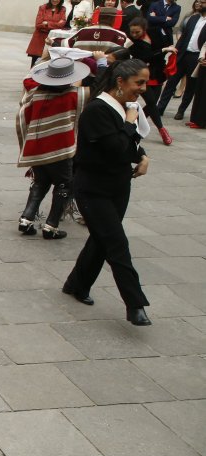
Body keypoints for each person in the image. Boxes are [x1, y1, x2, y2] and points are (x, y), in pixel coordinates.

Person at [63, 58, 152, 326]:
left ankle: (76, 284)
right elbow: (115, 146)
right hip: (93, 188)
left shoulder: (127, 107)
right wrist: (129, 121)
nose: (144, 88)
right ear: (120, 82)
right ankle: (135, 304)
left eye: (145, 82)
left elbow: (129, 144)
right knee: (116, 243)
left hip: (118, 185)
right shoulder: (97, 110)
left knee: (102, 239)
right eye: (140, 82)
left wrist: (143, 156)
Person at [16, 57, 91, 239]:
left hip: (37, 148)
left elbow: (23, 116)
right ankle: (51, 225)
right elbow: (100, 87)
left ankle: (26, 219)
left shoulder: (36, 94)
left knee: (40, 182)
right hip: (61, 150)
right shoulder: (76, 95)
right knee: (64, 184)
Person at [127, 16, 177, 143]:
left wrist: (167, 49)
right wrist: (163, 50)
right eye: (132, 32)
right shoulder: (132, 43)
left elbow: (166, 45)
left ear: (144, 29)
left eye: (137, 32)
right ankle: (162, 130)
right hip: (142, 75)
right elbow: (146, 57)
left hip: (158, 73)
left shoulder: (155, 32)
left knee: (152, 104)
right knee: (151, 103)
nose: (134, 34)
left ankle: (131, 122)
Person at [156, 1, 206, 118]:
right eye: (198, 1)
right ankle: (160, 108)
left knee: (190, 86)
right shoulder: (193, 18)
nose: (199, 4)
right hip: (183, 54)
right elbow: (184, 36)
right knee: (171, 82)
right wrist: (176, 50)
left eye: (203, 2)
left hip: (196, 57)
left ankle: (181, 110)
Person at [55, 8, 132, 51]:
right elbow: (126, 50)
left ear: (99, 17)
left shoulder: (83, 31)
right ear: (113, 19)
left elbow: (66, 44)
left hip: (83, 70)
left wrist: (53, 41)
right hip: (106, 74)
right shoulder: (120, 35)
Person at [28, 0, 68, 67]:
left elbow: (62, 24)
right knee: (35, 61)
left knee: (48, 62)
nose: (55, 0)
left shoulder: (62, 9)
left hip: (52, 38)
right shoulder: (42, 7)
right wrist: (55, 24)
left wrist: (47, 23)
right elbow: (38, 24)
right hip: (40, 37)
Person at [187, 40, 206, 126]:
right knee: (200, 92)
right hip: (203, 66)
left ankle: (201, 121)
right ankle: (196, 119)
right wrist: (201, 57)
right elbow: (205, 44)